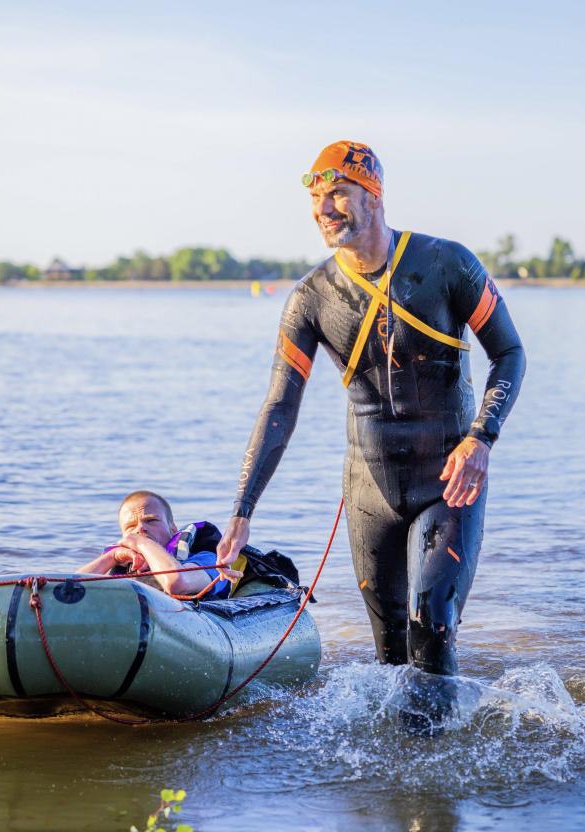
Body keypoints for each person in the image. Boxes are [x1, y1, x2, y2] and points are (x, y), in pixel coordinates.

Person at [216, 140, 526, 682]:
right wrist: (242, 510)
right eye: (318, 199)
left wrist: (482, 438)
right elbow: (280, 405)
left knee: (431, 627)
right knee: (389, 659)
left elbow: (510, 354)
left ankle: (444, 762)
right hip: (369, 492)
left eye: (339, 193)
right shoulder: (310, 298)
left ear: (374, 195)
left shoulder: (445, 264)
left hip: (448, 482)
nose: (325, 209)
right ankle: (396, 768)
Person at [77, 490, 230, 598]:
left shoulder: (207, 559)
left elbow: (177, 583)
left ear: (173, 528)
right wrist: (112, 557)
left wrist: (142, 542)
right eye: (131, 526)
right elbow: (67, 592)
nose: (140, 528)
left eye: (151, 520)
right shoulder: (122, 566)